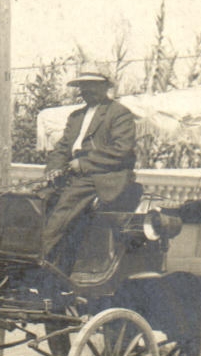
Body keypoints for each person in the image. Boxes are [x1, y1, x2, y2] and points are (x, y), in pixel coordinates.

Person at [39, 70, 137, 279]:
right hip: (75, 174)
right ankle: (36, 257)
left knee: (65, 206)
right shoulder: (76, 117)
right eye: (83, 87)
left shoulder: (119, 114)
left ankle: (41, 260)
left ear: (105, 87)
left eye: (93, 86)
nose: (87, 91)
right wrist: (53, 169)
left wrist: (84, 163)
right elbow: (62, 148)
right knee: (38, 198)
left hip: (103, 175)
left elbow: (121, 150)